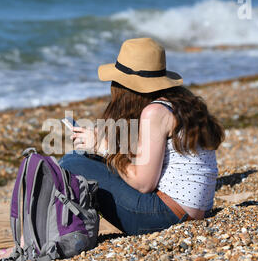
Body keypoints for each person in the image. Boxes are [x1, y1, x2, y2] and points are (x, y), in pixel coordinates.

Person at [59, 37, 224, 235]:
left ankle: (61, 235)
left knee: (72, 163)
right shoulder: (180, 102)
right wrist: (105, 145)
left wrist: (103, 148)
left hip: (169, 216)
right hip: (194, 211)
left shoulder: (154, 112)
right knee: (84, 158)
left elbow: (145, 183)